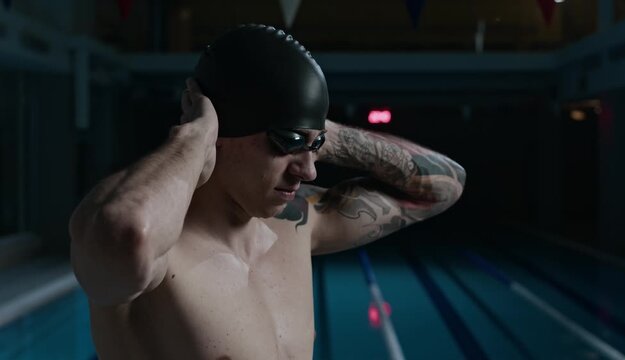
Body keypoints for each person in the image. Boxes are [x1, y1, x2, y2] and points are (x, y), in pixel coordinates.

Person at [69, 24, 466, 360]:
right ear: (221, 131)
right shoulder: (157, 250)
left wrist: (318, 133)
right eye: (286, 143)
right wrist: (194, 136)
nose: (308, 170)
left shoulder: (297, 223)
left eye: (314, 148)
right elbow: (123, 234)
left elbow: (443, 188)